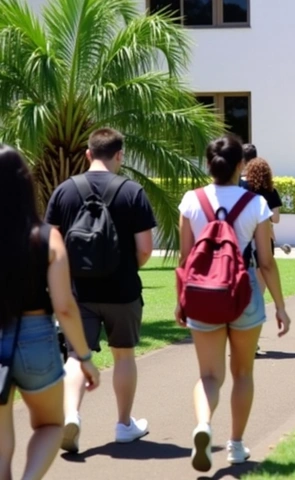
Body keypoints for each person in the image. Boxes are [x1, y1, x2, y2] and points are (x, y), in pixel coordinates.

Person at [176, 134, 291, 472]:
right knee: (242, 372)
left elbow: (185, 259)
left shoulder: (190, 200)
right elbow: (266, 261)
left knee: (209, 375)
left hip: (201, 294)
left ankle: (203, 425)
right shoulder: (255, 204)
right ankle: (236, 445)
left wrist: (180, 301)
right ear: (241, 165)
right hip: (245, 292)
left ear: (208, 165)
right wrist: (281, 306)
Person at [45, 128, 156, 452]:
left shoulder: (64, 191)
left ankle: (72, 415)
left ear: (88, 154)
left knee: (77, 356)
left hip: (78, 292)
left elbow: (52, 247)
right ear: (119, 155)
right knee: (124, 355)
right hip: (123, 291)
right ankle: (124, 424)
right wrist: (124, 267)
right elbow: (146, 249)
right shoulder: (132, 192)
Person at [0, 145, 100, 479]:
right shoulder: (47, 237)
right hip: (36, 337)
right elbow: (64, 306)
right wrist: (84, 358)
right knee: (51, 423)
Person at [242, 158, 283, 294]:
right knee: (262, 275)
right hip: (265, 236)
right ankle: (257, 305)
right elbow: (275, 219)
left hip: (245, 234)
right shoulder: (271, 192)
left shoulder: (243, 190)